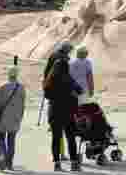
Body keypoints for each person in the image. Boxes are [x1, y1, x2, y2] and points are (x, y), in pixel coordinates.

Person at [44, 42, 81, 171]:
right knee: (70, 136)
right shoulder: (68, 79)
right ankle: (74, 162)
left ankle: (57, 163)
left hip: (54, 109)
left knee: (56, 137)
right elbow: (77, 90)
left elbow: (47, 93)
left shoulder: (50, 78)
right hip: (68, 110)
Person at [0, 66, 25, 171]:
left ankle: (3, 159)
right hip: (15, 118)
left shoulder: (3, 87)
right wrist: (20, 117)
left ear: (8, 74)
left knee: (0, 138)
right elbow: (23, 105)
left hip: (3, 118)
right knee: (11, 140)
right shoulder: (21, 87)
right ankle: (10, 163)